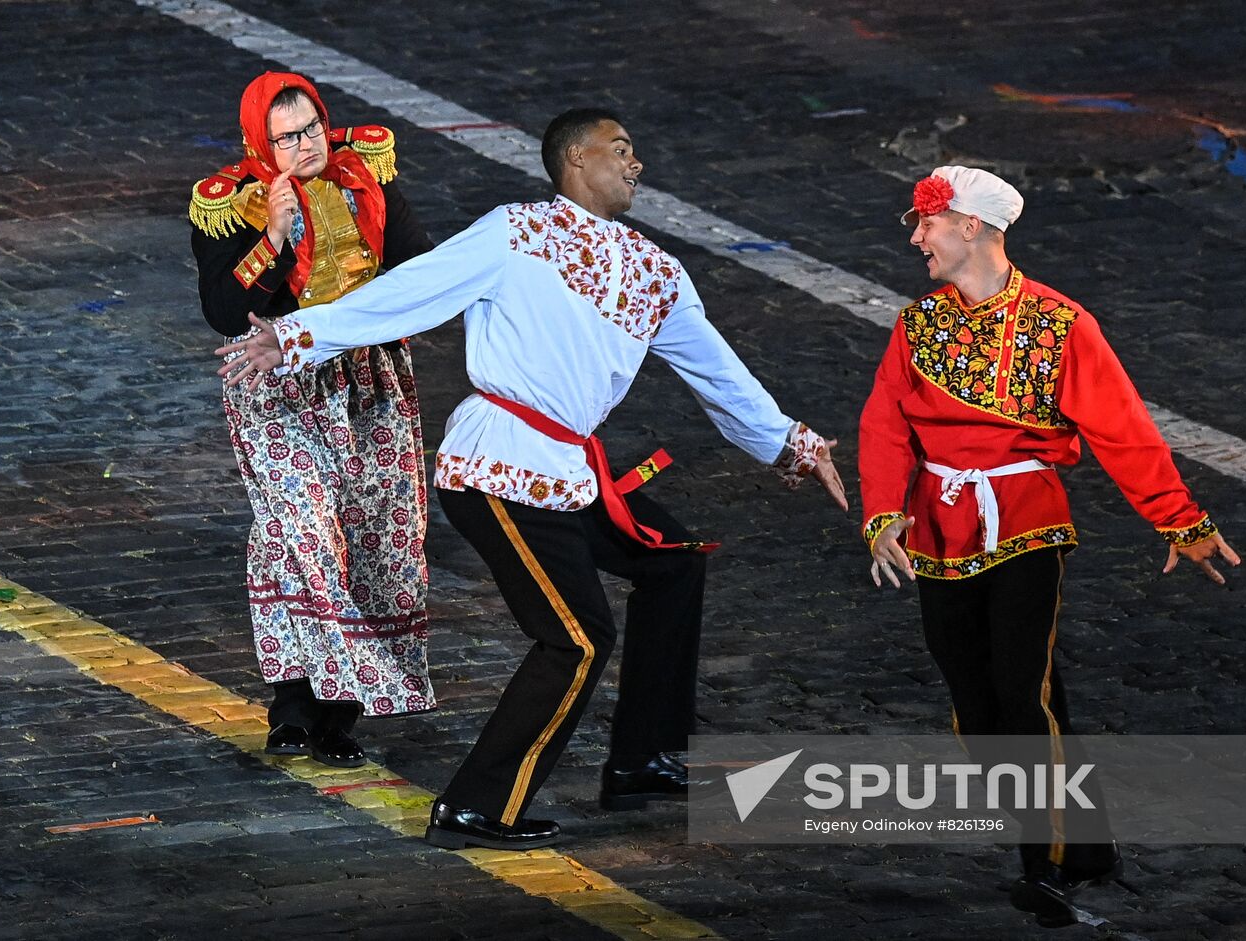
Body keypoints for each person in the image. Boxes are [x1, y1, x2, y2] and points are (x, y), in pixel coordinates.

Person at [218, 108, 848, 849]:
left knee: (674, 562)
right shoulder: (514, 232)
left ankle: (643, 755)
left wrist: (791, 445)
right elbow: (413, 289)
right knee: (576, 641)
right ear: (575, 161)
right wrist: (298, 334)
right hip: (498, 467)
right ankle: (476, 805)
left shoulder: (657, 272)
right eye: (620, 150)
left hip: (568, 471)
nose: (636, 164)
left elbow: (719, 374)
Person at [858, 166, 1241, 928]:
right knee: (977, 695)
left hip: (1026, 521)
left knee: (1021, 691)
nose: (915, 237)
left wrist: (1180, 519)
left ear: (971, 227)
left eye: (926, 223)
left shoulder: (1061, 324)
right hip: (939, 527)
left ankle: (1046, 862)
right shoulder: (917, 327)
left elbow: (1122, 428)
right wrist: (884, 515)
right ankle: (1088, 844)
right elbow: (884, 426)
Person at [191, 71, 436, 770]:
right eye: (287, 137)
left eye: (311, 130)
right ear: (260, 144)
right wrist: (272, 234)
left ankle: (337, 715)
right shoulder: (230, 202)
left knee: (372, 534)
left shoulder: (368, 176)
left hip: (369, 381)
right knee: (302, 534)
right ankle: (292, 708)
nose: (305, 146)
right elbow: (223, 308)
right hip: (277, 385)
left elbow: (418, 272)